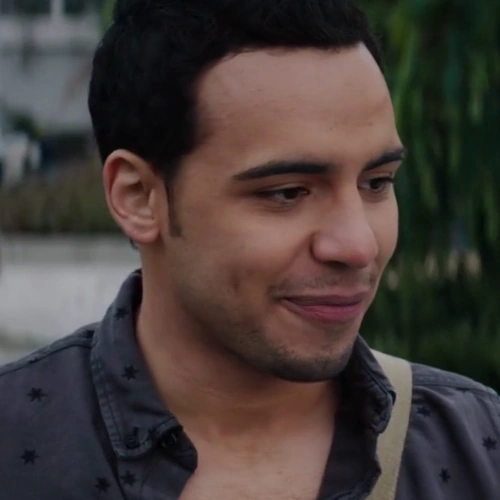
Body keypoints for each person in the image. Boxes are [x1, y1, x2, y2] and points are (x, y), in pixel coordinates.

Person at [0, 1, 498, 498]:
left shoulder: (475, 447)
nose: (358, 245)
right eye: (287, 193)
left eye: (377, 182)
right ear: (138, 197)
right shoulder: (18, 443)